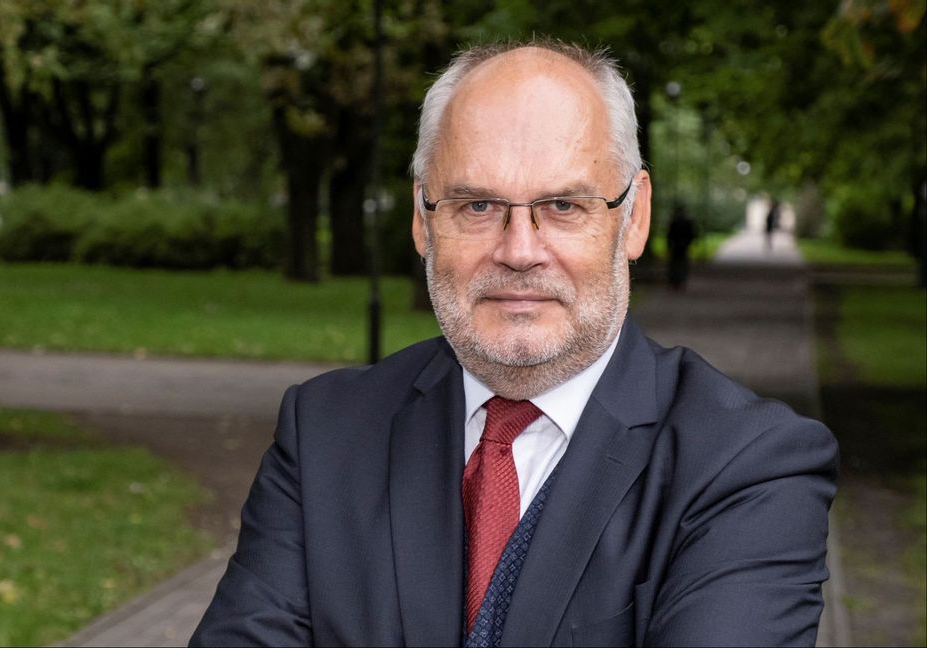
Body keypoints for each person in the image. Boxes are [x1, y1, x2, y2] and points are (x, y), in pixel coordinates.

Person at [192, 38, 836, 647]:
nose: (519, 251)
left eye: (562, 205)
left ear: (633, 217)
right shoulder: (325, 434)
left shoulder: (748, 467)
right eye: (476, 206)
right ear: (423, 219)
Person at [665, 202, 697, 290]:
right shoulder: (686, 222)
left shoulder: (675, 222)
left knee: (677, 264)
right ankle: (679, 281)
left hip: (678, 246)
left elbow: (669, 235)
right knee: (680, 264)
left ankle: (676, 281)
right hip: (682, 246)